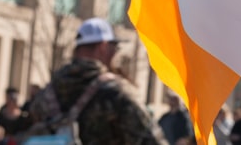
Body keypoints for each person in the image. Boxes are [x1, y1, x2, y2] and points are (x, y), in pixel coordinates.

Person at [26, 17, 165, 144]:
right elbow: (151, 140)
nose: (115, 54)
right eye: (114, 48)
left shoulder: (46, 95)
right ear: (103, 47)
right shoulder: (117, 92)